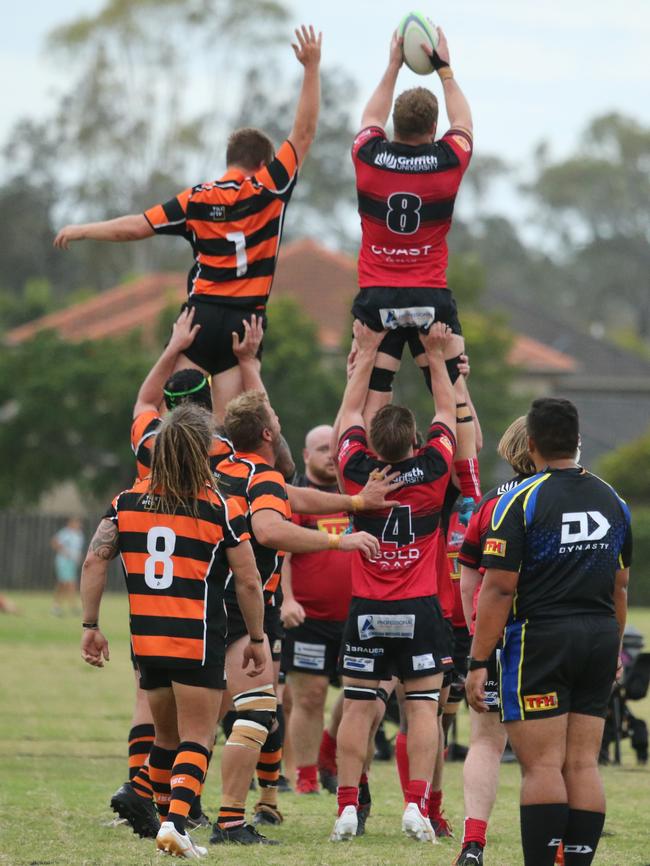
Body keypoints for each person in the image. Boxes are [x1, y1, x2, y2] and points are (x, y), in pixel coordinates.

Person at [54, 25, 322, 421]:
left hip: (198, 318)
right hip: (244, 322)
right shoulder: (269, 188)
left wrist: (83, 229)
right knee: (228, 431)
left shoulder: (195, 199)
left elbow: (137, 226)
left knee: (176, 424)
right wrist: (311, 68)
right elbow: (303, 132)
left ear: (229, 159)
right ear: (262, 164)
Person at [80, 403, 267, 860]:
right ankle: (178, 824)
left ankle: (166, 819)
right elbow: (247, 578)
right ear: (202, 451)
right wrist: (258, 637)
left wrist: (90, 626)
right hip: (195, 639)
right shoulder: (216, 506)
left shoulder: (126, 502)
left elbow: (93, 561)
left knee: (165, 738)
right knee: (198, 736)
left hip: (146, 642)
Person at [210, 389, 391, 844]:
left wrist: (354, 504)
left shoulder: (228, 469)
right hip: (237, 605)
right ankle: (231, 820)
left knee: (209, 716)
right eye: (274, 414)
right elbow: (271, 528)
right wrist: (339, 541)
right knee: (255, 712)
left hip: (200, 602)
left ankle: (184, 809)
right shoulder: (262, 473)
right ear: (269, 432)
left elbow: (296, 498)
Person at [466, 398, 632, 866]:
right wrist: (614, 651)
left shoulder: (519, 501)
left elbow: (497, 589)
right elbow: (620, 586)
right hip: (600, 637)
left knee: (541, 766)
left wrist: (479, 662)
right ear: (577, 441)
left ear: (531, 443)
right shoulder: (611, 499)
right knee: (582, 763)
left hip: (541, 639)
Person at [331, 319, 456, 844]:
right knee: (422, 708)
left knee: (358, 709)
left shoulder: (357, 471)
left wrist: (363, 353)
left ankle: (344, 807)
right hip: (420, 608)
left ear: (375, 444)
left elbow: (348, 416)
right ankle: (415, 803)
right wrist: (435, 355)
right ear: (412, 441)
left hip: (366, 607)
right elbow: (447, 415)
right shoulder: (432, 469)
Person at [350, 25, 473, 424]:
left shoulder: (367, 155)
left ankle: (364, 477)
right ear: (433, 130)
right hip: (429, 295)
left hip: (377, 295)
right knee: (455, 398)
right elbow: (465, 124)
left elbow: (370, 115)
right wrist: (445, 70)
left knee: (370, 400)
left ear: (392, 127)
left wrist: (393, 66)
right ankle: (468, 482)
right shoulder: (449, 160)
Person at [454, 416, 536, 866]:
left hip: (495, 639)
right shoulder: (559, 496)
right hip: (542, 636)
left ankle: (473, 844)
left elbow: (469, 578)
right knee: (547, 752)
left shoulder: (488, 503)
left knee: (486, 741)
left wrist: (476, 639)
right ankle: (554, 845)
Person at [280, 424, 353, 795]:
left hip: (357, 617)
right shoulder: (297, 497)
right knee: (309, 696)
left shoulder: (353, 495)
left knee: (363, 695)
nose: (330, 454)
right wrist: (287, 600)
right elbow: (284, 555)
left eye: (335, 448)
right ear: (306, 456)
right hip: (308, 619)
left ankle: (332, 751)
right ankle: (306, 775)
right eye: (322, 448)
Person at [51, 517, 84, 616]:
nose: (77, 525)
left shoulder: (79, 535)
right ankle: (73, 606)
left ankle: (56, 606)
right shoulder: (66, 533)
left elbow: (77, 549)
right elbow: (55, 542)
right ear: (70, 523)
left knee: (62, 584)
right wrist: (65, 552)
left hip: (72, 562)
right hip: (63, 561)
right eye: (75, 523)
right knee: (70, 583)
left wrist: (78, 556)